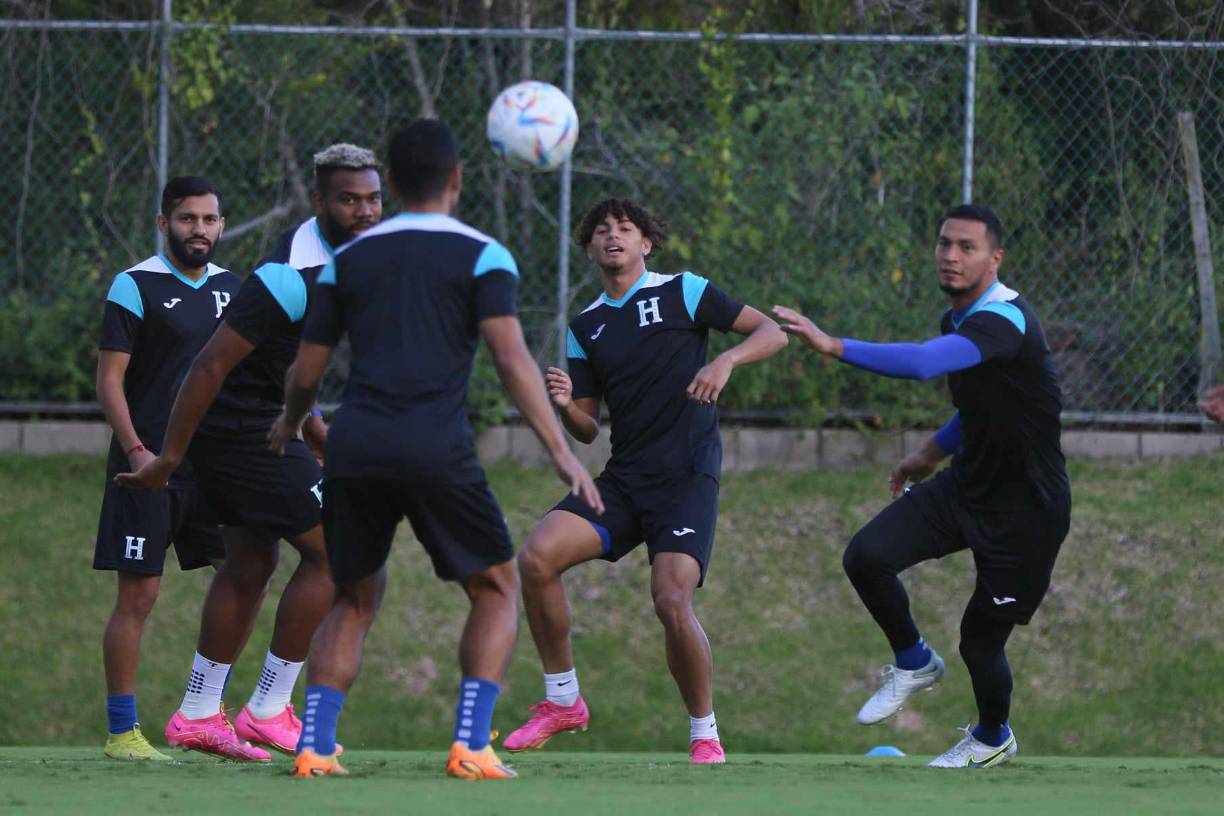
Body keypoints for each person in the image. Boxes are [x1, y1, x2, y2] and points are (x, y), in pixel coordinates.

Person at [268, 119, 601, 781]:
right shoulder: (484, 254)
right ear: (456, 180)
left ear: (388, 184)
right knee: (497, 587)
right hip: (435, 445)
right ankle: (472, 744)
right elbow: (512, 361)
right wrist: (562, 452)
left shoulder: (347, 259)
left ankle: (314, 745)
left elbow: (305, 371)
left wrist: (291, 423)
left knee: (352, 598)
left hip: (356, 445)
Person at [773, 204, 1071, 769]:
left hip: (1027, 509)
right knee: (867, 556)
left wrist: (835, 345)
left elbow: (921, 365)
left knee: (980, 641)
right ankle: (913, 660)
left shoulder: (1003, 320)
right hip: (966, 486)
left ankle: (991, 737)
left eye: (967, 247)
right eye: (944, 244)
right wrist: (925, 456)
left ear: (995, 259)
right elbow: (978, 410)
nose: (951, 256)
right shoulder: (954, 319)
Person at [116, 144, 383, 761]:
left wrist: (311, 422)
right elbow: (208, 366)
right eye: (348, 199)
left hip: (261, 421)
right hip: (239, 430)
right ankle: (267, 708)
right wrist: (169, 457)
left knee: (252, 561)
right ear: (319, 202)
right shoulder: (289, 273)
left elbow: (293, 357)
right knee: (339, 556)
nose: (364, 210)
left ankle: (199, 713)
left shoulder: (359, 257)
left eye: (372, 198)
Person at [501, 198, 787, 765]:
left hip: (686, 476)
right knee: (536, 558)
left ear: (646, 243)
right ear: (589, 249)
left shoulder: (684, 290)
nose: (613, 237)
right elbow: (586, 428)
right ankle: (563, 701)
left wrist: (725, 361)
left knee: (671, 598)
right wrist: (564, 404)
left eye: (625, 229)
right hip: (625, 479)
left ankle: (704, 732)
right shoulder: (587, 326)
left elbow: (772, 332)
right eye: (602, 231)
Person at [95, 177, 239, 761]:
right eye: (186, 219)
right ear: (163, 223)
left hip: (218, 467)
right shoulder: (135, 285)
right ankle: (122, 732)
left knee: (244, 573)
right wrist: (137, 452)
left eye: (208, 219)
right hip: (148, 466)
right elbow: (109, 382)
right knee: (140, 597)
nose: (198, 229)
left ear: (222, 226)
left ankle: (207, 713)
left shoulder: (236, 290)